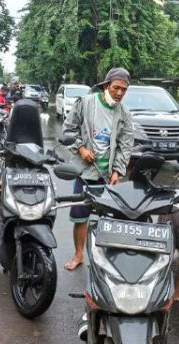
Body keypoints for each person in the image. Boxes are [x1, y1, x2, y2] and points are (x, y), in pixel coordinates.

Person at [61, 67, 134, 271]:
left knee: (107, 219)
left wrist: (117, 172)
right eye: (116, 88)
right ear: (106, 86)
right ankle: (78, 255)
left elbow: (125, 145)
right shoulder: (86, 103)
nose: (119, 93)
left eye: (123, 90)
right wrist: (81, 148)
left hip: (107, 176)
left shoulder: (125, 115)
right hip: (85, 172)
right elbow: (68, 129)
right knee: (80, 216)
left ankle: (104, 258)